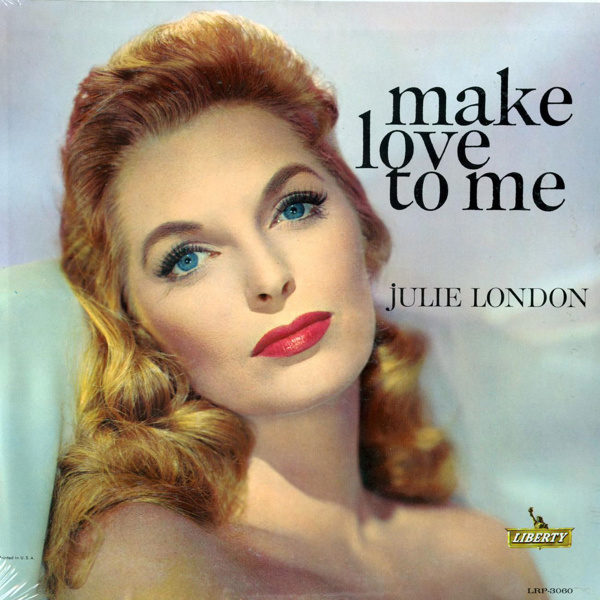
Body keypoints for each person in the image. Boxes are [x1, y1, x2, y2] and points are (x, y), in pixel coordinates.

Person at [42, 12, 545, 599]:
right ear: (135, 324)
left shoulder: (495, 552)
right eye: (188, 259)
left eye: (295, 207)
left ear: (359, 220)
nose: (270, 278)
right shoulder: (146, 556)